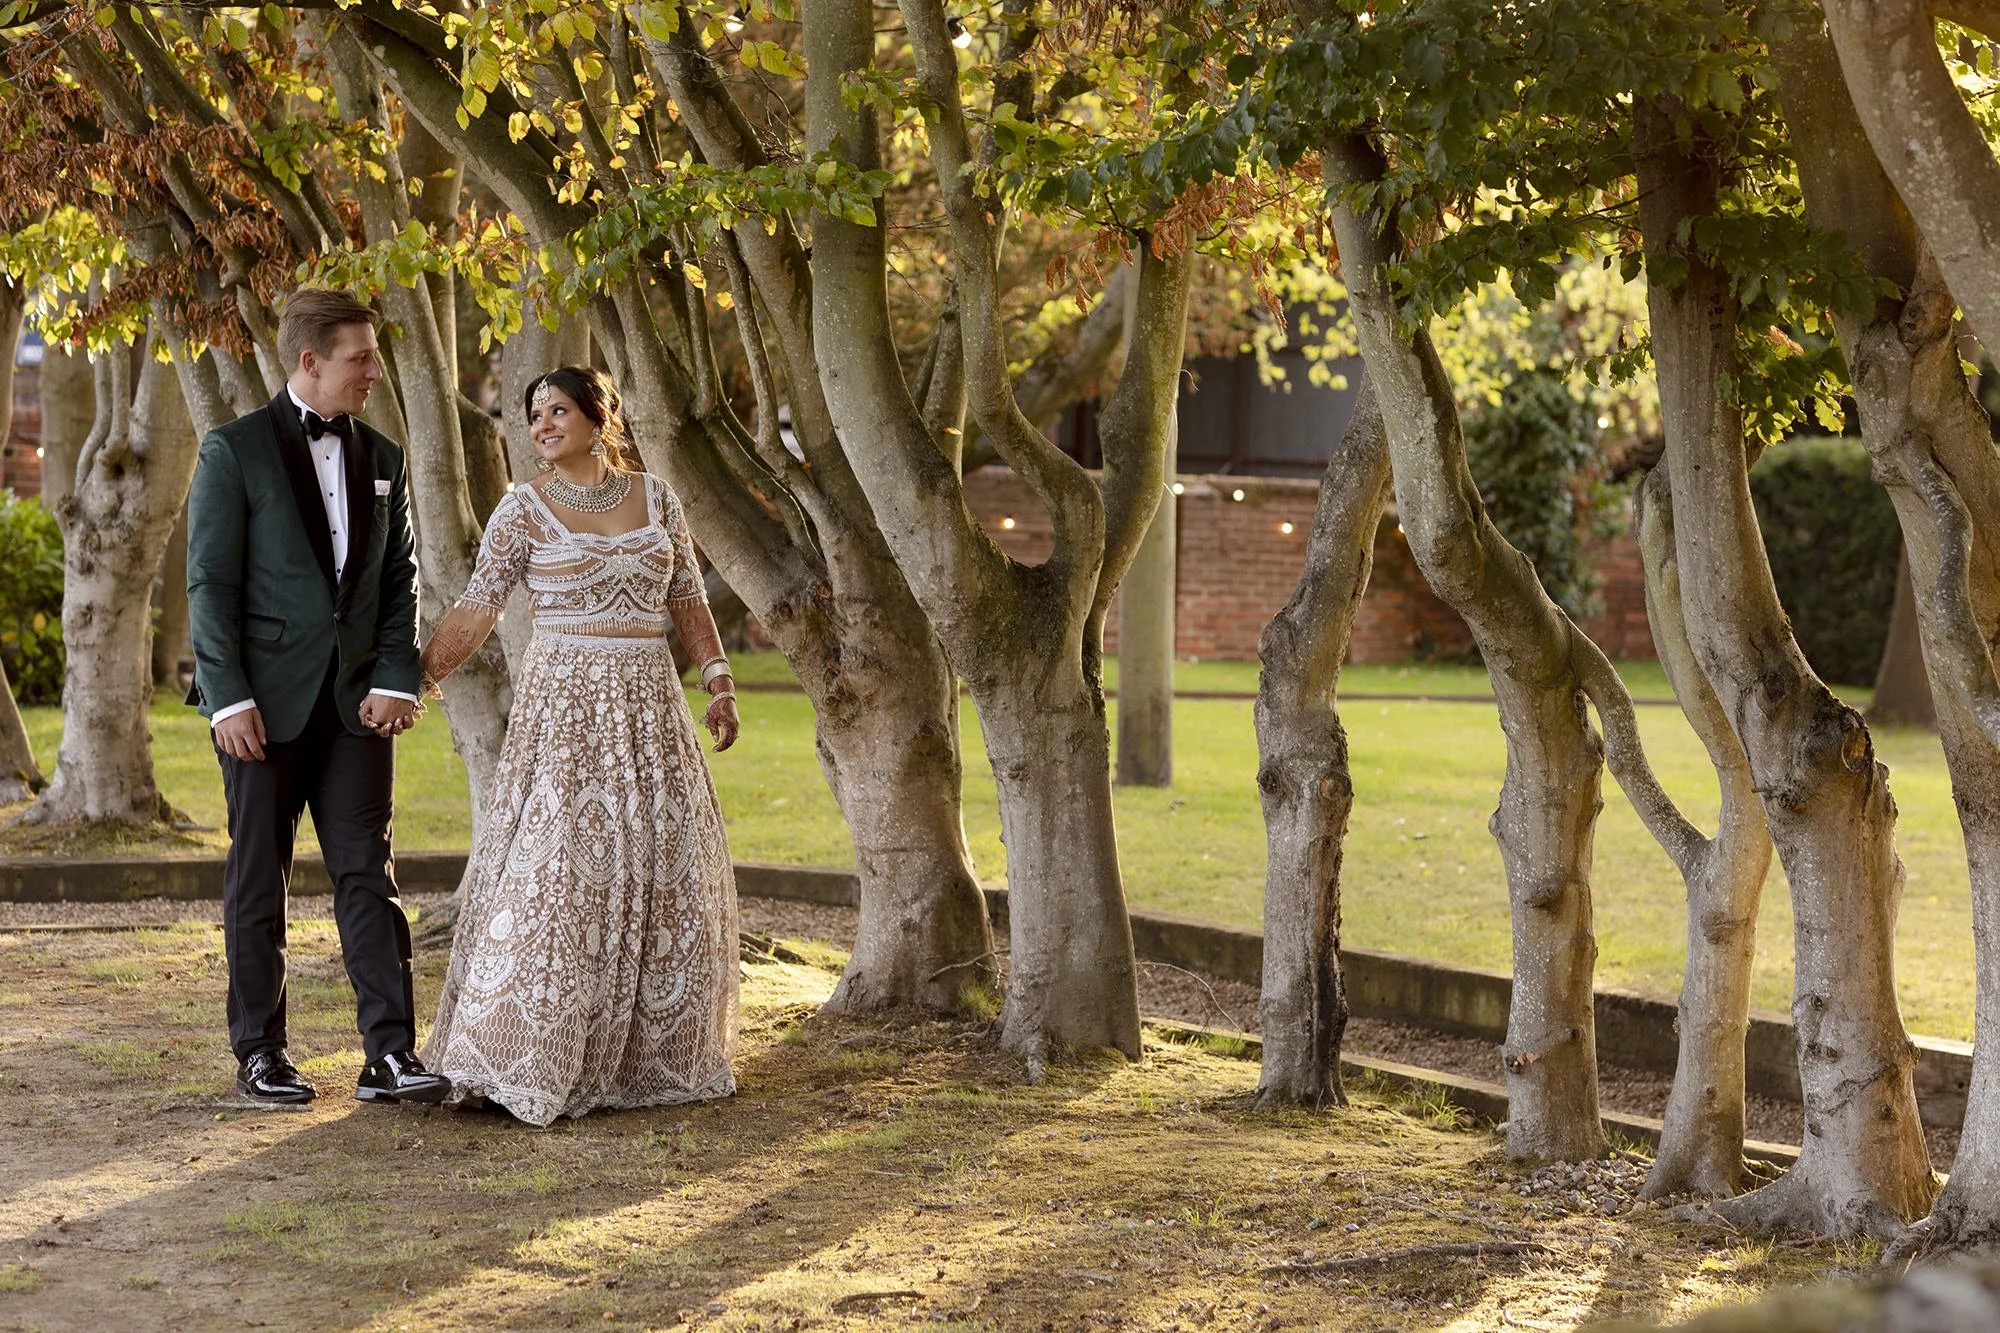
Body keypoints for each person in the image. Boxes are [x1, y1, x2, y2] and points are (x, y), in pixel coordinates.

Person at [417, 366, 742, 1125]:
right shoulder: (521, 511)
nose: (542, 425)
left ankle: (644, 1056)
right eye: (534, 415)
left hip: (650, 704)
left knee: (661, 863)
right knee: (559, 868)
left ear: (601, 417)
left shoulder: (659, 497)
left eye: (558, 410)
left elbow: (688, 600)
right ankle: (523, 1050)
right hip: (565, 713)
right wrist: (419, 679)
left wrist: (720, 682)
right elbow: (478, 608)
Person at [185, 288, 450, 1106]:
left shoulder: (384, 457)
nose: (374, 370)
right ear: (310, 360)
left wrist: (397, 676)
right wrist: (228, 698)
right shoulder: (232, 452)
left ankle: (390, 1054)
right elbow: (210, 583)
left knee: (368, 873)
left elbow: (400, 582)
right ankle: (261, 1051)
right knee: (258, 879)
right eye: (360, 357)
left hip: (357, 711)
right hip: (260, 713)